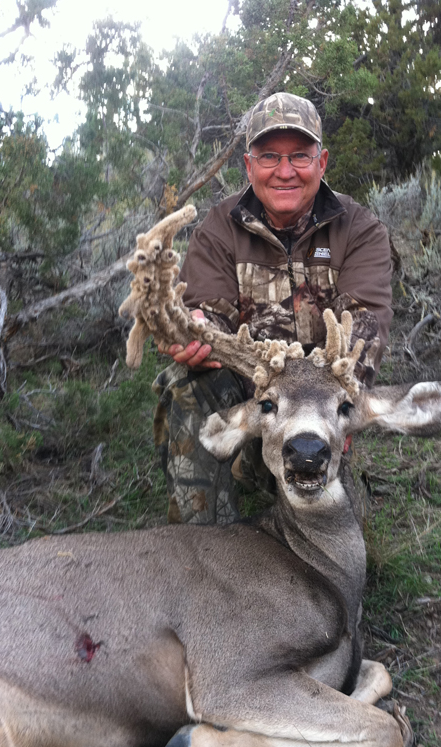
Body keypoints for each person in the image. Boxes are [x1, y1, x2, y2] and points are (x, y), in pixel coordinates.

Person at [152, 92, 393, 524]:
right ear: (249, 166)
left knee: (340, 544)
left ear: (322, 163)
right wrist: (196, 330)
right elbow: (206, 312)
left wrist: (340, 401)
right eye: (269, 157)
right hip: (254, 409)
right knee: (186, 381)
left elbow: (365, 326)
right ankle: (203, 542)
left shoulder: (359, 230)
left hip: (320, 414)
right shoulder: (219, 230)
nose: (285, 172)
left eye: (300, 156)